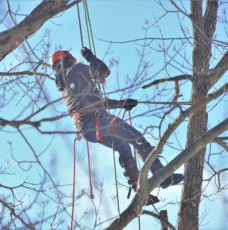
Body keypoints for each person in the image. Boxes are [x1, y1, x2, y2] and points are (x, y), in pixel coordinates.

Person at [50, 47, 184, 206]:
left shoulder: (64, 85)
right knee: (136, 137)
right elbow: (103, 72)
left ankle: (138, 190)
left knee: (123, 146)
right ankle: (162, 175)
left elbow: (93, 103)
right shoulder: (77, 70)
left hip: (87, 129)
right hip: (97, 120)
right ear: (68, 59)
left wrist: (122, 104)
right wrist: (90, 57)